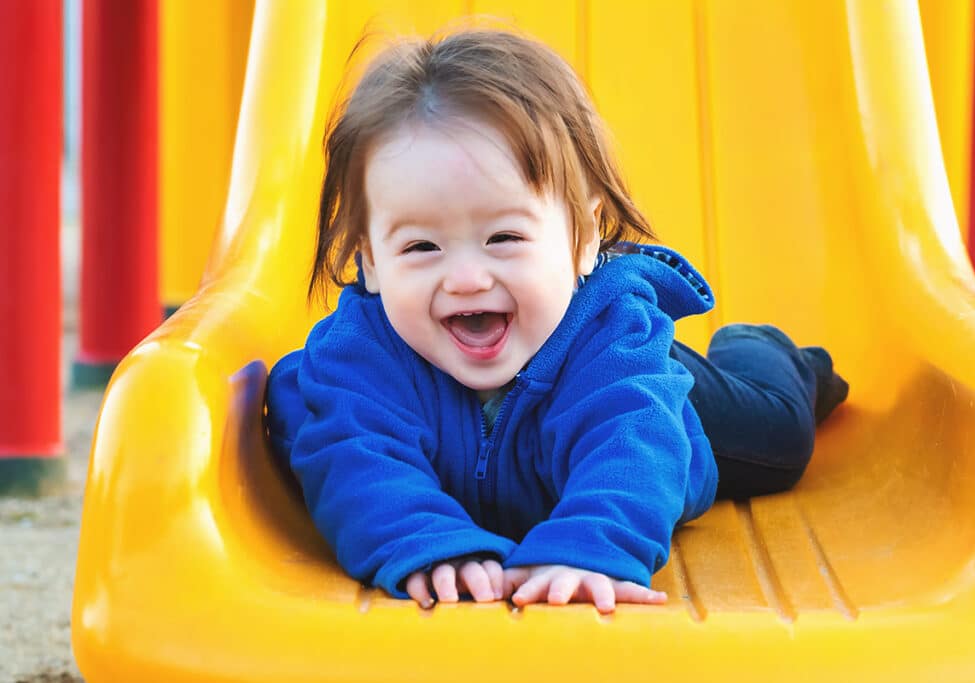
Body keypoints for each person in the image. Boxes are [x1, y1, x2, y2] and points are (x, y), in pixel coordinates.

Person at [265, 28, 848, 615]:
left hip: (653, 395)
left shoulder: (612, 342)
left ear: (586, 234)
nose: (465, 277)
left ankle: (760, 348)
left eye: (505, 237)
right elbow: (352, 454)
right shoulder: (359, 356)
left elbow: (633, 443)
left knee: (781, 436)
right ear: (368, 259)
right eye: (421, 247)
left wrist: (588, 546)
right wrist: (429, 544)